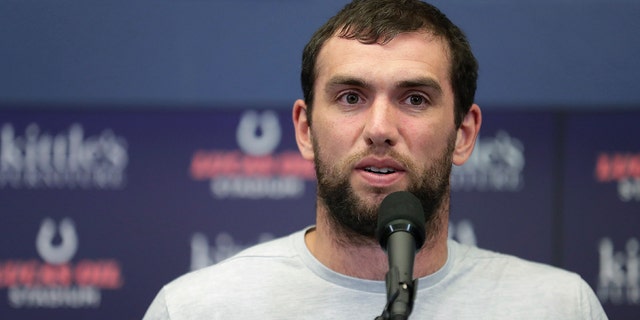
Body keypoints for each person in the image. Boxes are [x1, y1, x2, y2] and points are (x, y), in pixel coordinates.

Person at [143, 0, 607, 319]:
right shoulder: (198, 309)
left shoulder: (559, 307)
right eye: (350, 97)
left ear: (464, 134)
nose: (380, 128)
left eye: (415, 99)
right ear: (305, 129)